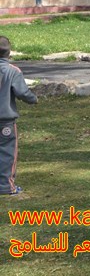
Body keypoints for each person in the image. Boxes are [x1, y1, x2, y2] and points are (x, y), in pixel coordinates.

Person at [0, 36, 37, 195]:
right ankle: (6, 186)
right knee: (7, 153)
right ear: (9, 53)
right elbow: (22, 92)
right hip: (5, 121)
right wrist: (34, 99)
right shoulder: (13, 71)